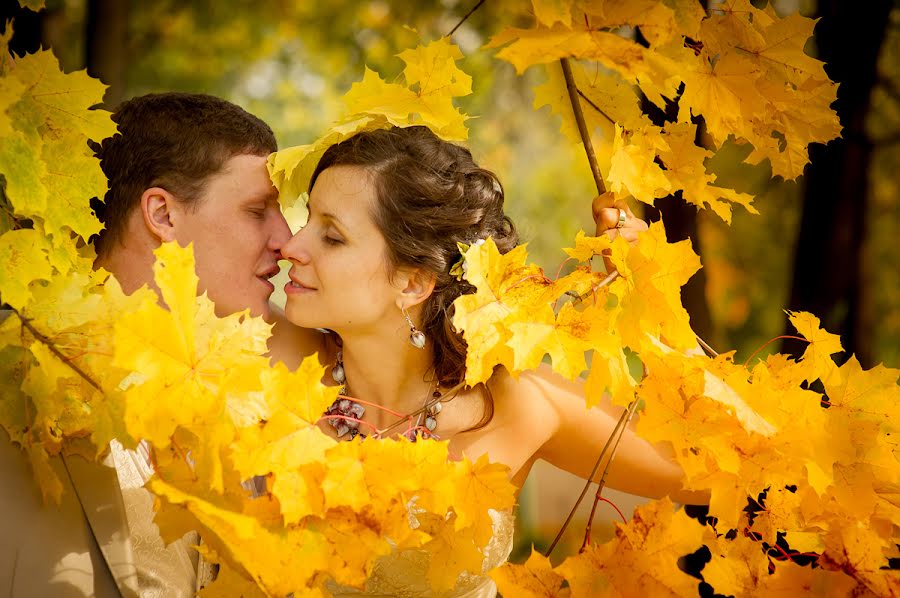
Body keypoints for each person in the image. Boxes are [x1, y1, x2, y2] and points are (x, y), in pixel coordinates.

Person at [277, 125, 704, 596]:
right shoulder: (271, 355)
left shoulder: (516, 405)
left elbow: (703, 471)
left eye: (331, 236)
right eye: (307, 221)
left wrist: (653, 295)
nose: (291, 246)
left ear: (413, 283)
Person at [0, 92, 317, 597]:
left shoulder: (285, 390)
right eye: (258, 210)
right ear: (163, 215)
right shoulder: (18, 383)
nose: (287, 239)